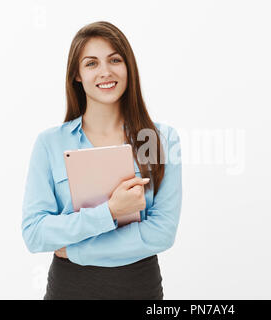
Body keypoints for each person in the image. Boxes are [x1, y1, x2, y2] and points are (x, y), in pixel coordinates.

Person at [21, 21, 182, 300]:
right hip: (69, 289)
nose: (105, 72)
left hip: (139, 288)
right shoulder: (50, 143)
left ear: (128, 67)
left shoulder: (156, 139)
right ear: (77, 75)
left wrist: (75, 249)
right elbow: (35, 234)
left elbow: (161, 233)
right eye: (92, 63)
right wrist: (110, 212)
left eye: (115, 60)